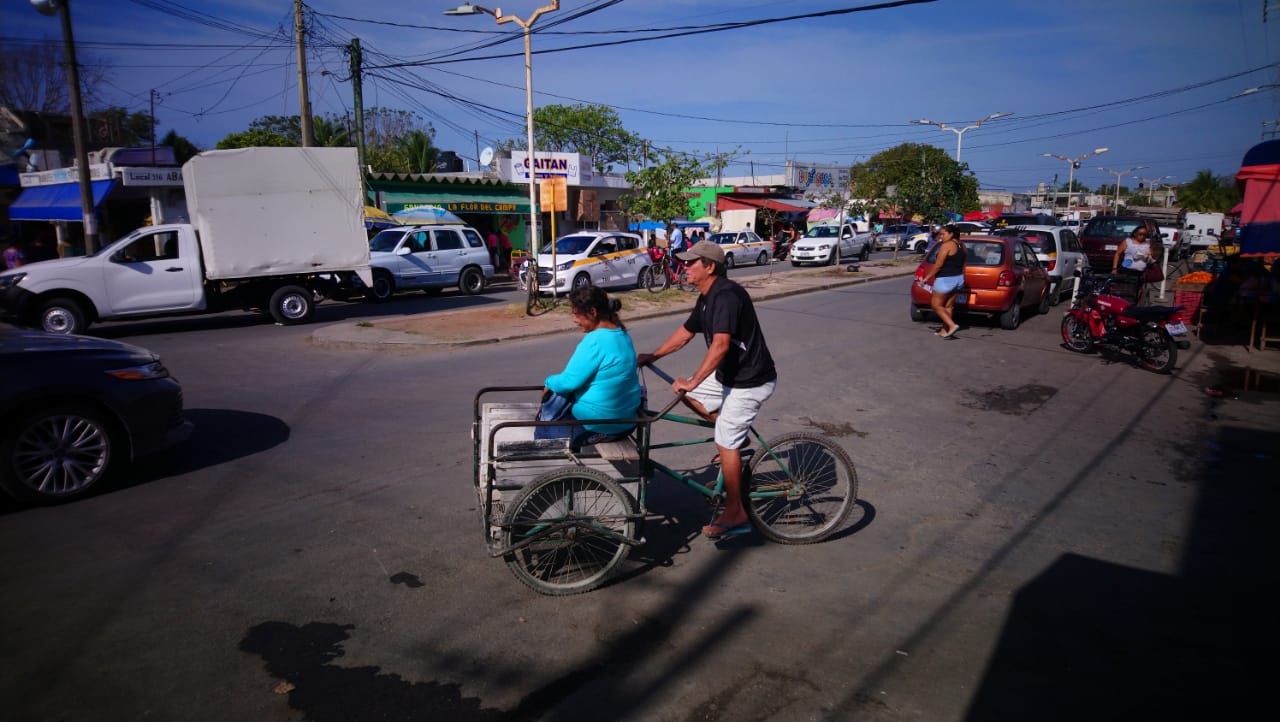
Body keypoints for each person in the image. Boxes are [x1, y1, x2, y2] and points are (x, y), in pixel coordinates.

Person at [637, 240, 777, 540]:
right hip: (730, 375)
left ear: (710, 267)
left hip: (751, 380)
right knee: (687, 395)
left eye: (691, 263)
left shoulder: (726, 296)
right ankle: (735, 437)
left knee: (724, 437)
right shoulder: (706, 297)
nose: (685, 267)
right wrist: (654, 356)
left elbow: (721, 345)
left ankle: (736, 512)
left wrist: (694, 380)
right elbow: (685, 333)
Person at [541, 286, 643, 450]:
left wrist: (548, 381)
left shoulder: (595, 340)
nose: (575, 320)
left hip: (603, 425)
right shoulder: (621, 333)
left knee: (542, 431)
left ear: (593, 312)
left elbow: (568, 382)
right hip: (626, 421)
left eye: (577, 314)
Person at [920, 224, 966, 338]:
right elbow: (964, 264)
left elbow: (938, 265)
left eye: (943, 234)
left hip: (945, 280)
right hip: (959, 279)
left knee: (936, 306)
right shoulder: (962, 245)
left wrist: (926, 278)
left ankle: (952, 325)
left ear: (951, 234)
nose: (941, 237)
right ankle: (945, 330)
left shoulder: (947, 245)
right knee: (948, 306)